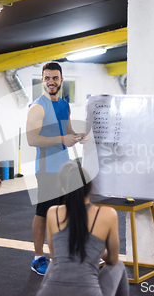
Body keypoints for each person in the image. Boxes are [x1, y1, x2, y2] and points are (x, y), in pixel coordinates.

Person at [26, 62, 88, 275]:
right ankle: (37, 257)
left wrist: (79, 136)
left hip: (65, 169)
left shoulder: (64, 105)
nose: (51, 82)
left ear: (61, 80)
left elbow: (68, 130)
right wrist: (62, 138)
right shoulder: (37, 106)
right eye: (47, 78)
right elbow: (32, 139)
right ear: (42, 80)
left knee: (63, 213)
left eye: (55, 78)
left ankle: (59, 255)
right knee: (43, 213)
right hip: (47, 169)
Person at [36, 161, 129, 296]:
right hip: (87, 291)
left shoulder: (53, 213)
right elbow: (113, 260)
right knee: (119, 265)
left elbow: (55, 257)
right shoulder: (108, 214)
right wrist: (96, 249)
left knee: (53, 265)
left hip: (51, 292)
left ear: (63, 189)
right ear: (90, 187)